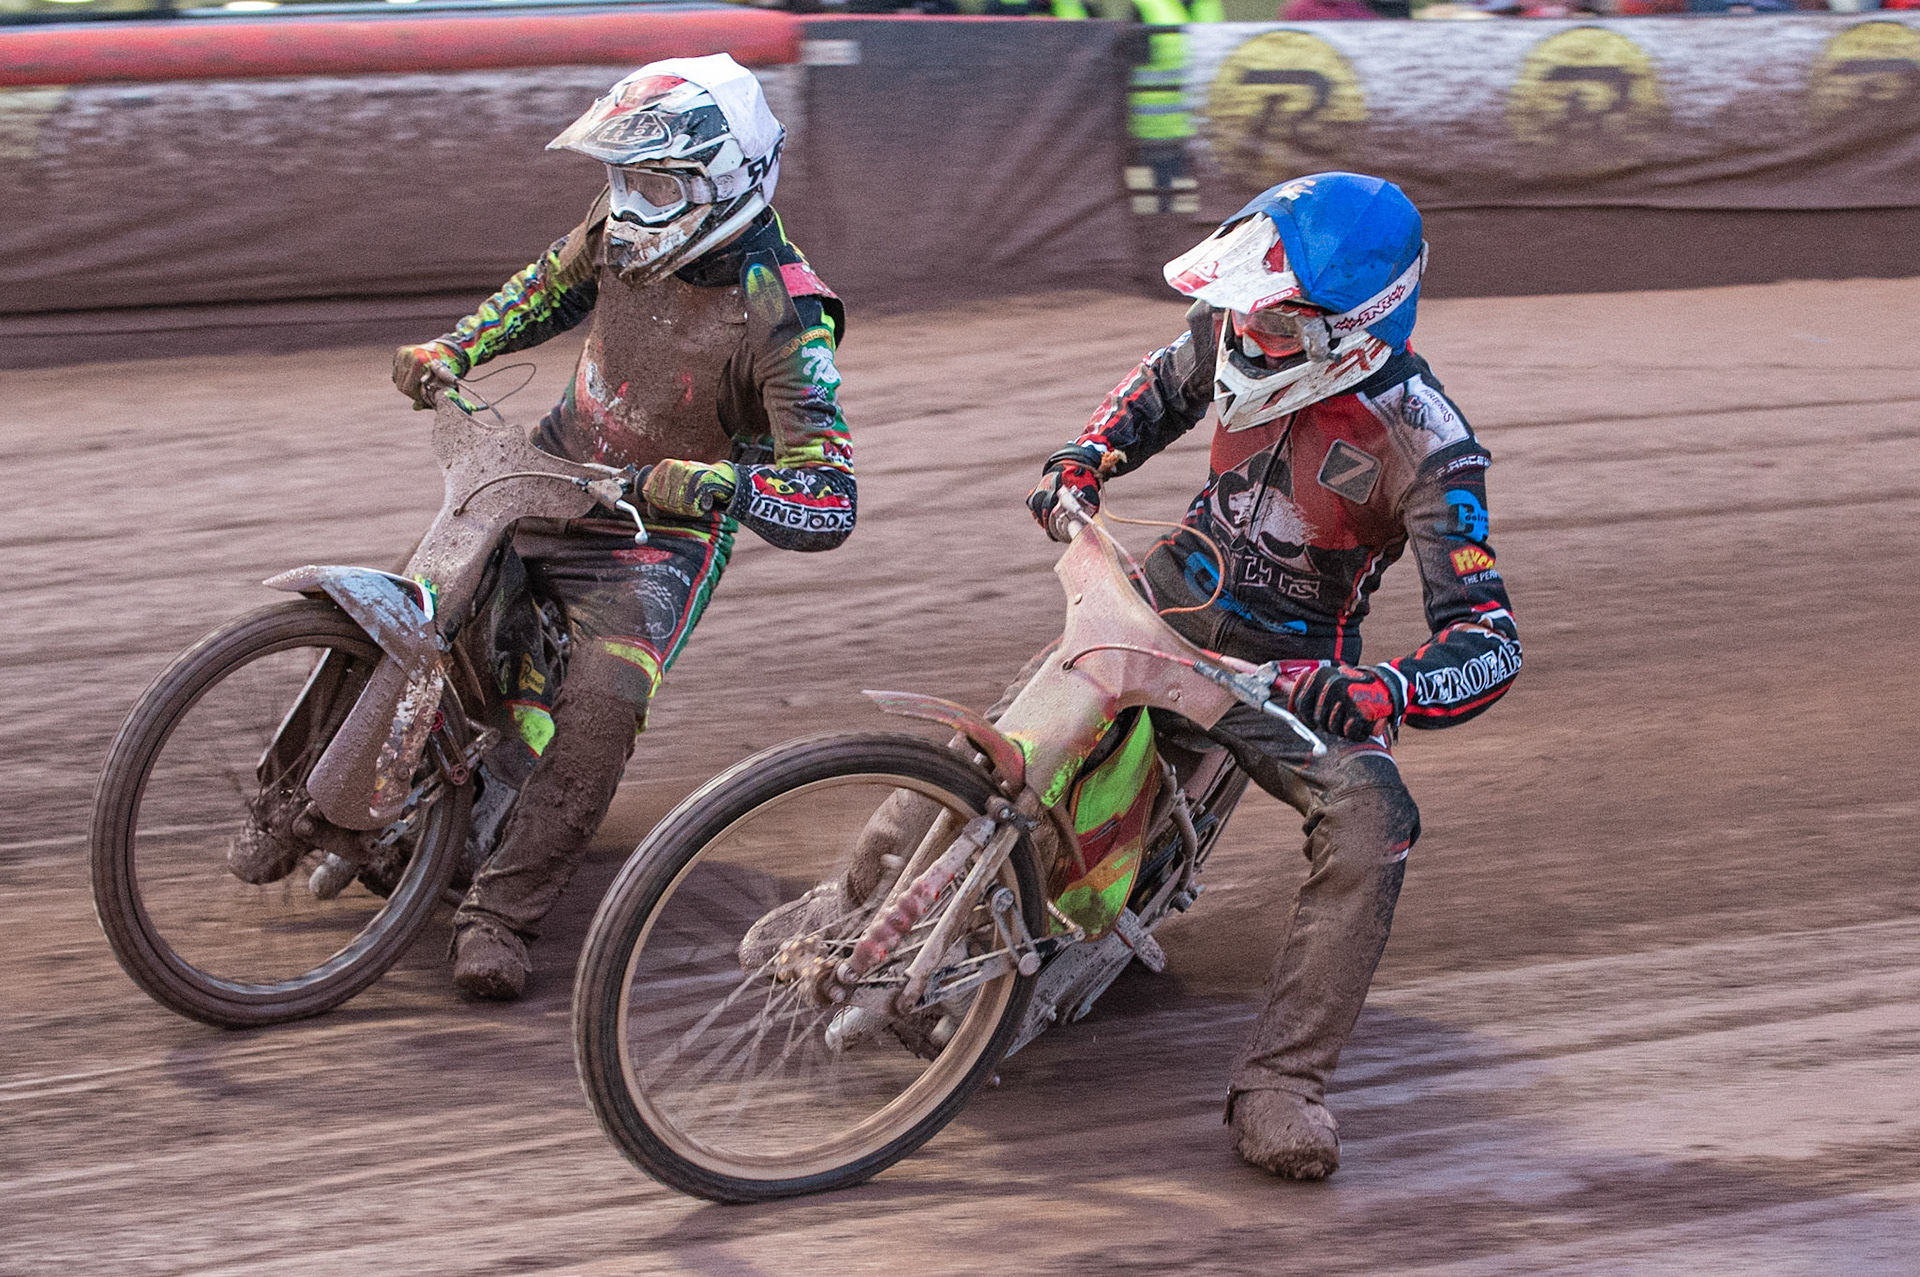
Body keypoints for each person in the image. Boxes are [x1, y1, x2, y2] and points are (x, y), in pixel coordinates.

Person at [1025, 172, 1522, 1178]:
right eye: (1242, 304)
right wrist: (1086, 457)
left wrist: (1387, 689)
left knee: (1376, 819)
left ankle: (1283, 1082)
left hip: (1295, 671)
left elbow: (1491, 637)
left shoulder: (1428, 443)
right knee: (1009, 738)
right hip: (1163, 594)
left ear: (1355, 327)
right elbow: (1156, 386)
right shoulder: (1233, 329)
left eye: (1278, 319)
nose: (1247, 330)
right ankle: (851, 902)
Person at [391, 54, 856, 1001]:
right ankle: (304, 795)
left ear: (723, 182)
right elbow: (548, 287)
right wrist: (458, 345)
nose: (631, 200)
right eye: (623, 178)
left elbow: (830, 500)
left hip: (655, 540)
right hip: (554, 466)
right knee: (414, 606)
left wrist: (714, 485)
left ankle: (500, 917)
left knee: (603, 705)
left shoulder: (788, 315)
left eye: (653, 181)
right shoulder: (620, 224)